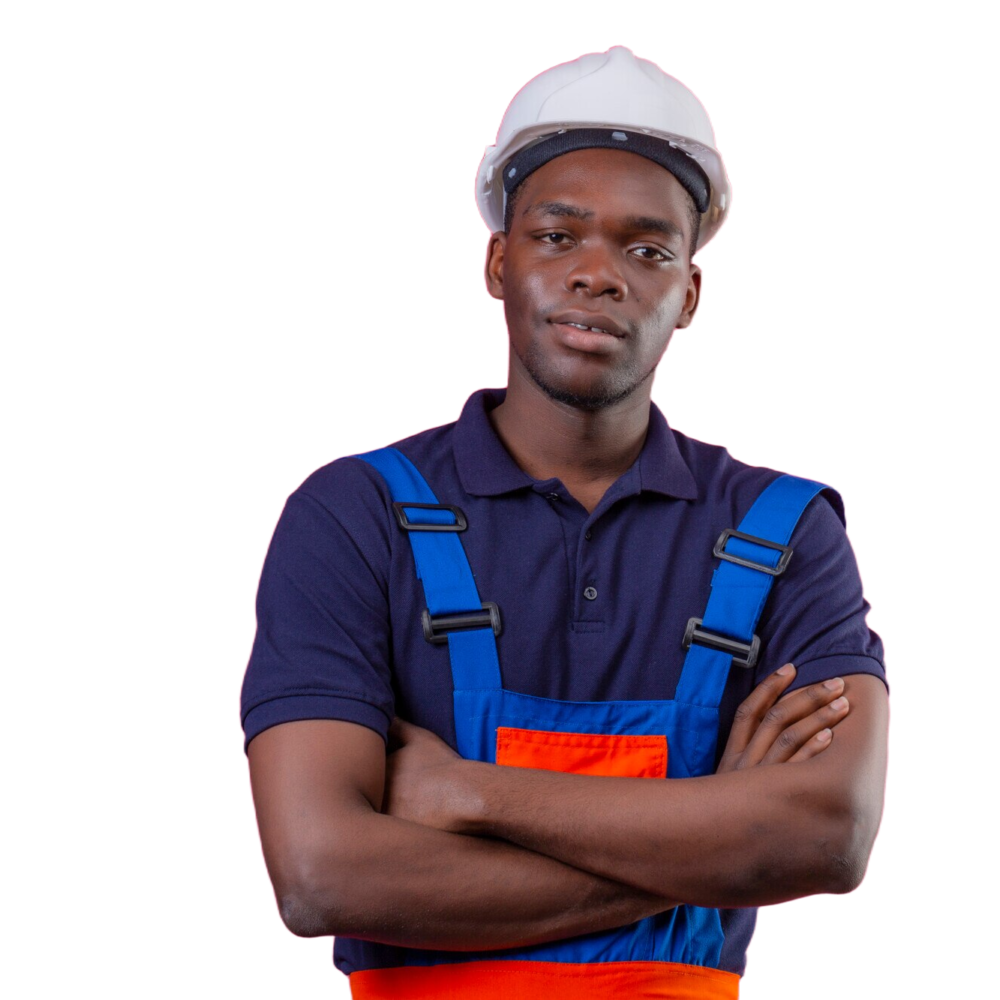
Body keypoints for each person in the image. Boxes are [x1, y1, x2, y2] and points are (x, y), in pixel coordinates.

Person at [241, 45, 889, 998]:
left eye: (648, 248)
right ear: (498, 260)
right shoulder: (353, 515)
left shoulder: (788, 530)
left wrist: (469, 796)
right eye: (557, 235)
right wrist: (709, 838)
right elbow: (320, 874)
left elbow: (828, 838)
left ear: (690, 295)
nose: (599, 274)